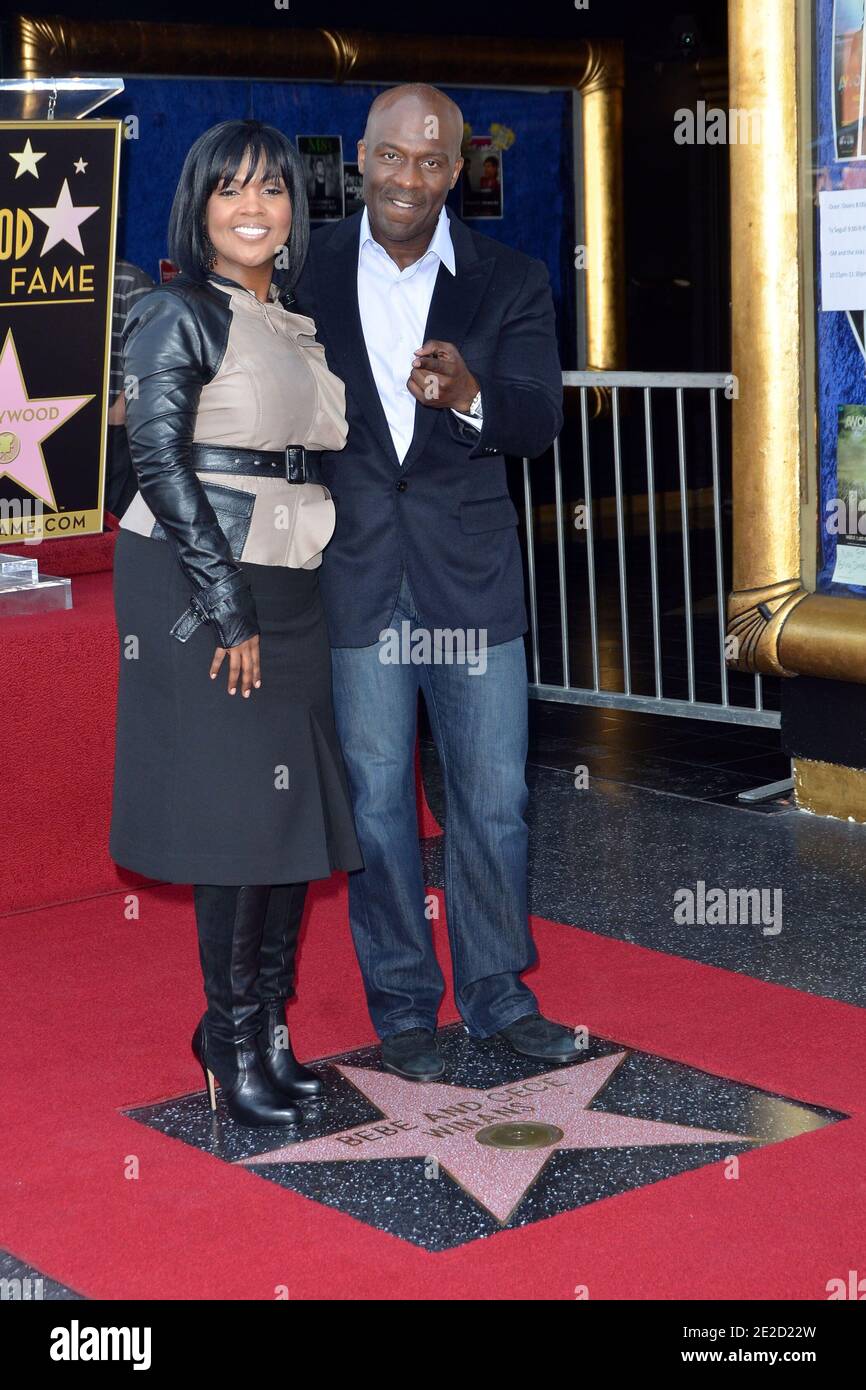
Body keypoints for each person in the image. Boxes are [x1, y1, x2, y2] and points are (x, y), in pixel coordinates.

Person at [294, 84, 576, 1082]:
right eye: (389, 157)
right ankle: (403, 1004)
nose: (406, 177)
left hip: (471, 587)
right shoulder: (304, 270)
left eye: (429, 161)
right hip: (358, 581)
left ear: (455, 171)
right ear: (358, 161)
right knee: (374, 806)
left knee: (492, 801)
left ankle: (497, 994)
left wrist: (467, 396)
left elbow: (538, 421)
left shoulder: (509, 278)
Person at [109, 119, 363, 1126]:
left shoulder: (289, 317)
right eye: (231, 191)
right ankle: (226, 1030)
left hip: (288, 576)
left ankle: (261, 1030)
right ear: (201, 207)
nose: (253, 208)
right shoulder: (177, 311)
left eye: (270, 190)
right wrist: (222, 602)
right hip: (197, 577)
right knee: (235, 819)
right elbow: (161, 460)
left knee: (288, 818)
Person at [105, 259, 154, 519]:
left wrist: (119, 411)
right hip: (67, 424)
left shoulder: (128, 279)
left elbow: (149, 353)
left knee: (112, 518)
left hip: (115, 426)